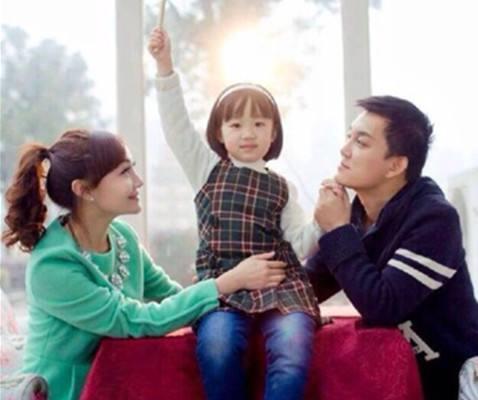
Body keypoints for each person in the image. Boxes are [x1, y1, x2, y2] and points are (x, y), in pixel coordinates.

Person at [1, 129, 287, 400]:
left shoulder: (122, 236)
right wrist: (226, 282)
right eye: (124, 172)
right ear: (84, 190)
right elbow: (135, 320)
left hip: (115, 382)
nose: (138, 181)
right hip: (63, 392)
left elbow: (169, 294)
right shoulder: (52, 266)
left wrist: (242, 306)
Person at [148, 28, 321, 400]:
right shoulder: (206, 168)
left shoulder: (282, 187)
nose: (248, 133)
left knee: (293, 348)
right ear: (219, 132)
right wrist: (164, 67)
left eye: (259, 124)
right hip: (222, 289)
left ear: (273, 133)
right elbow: (176, 125)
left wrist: (325, 219)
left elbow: (301, 243)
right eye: (236, 124)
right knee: (218, 346)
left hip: (280, 286)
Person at [306, 95, 478, 399]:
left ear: (396, 165)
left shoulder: (434, 219)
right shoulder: (357, 217)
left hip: (459, 381)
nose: (345, 149)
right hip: (403, 381)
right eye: (348, 136)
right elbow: (307, 288)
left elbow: (383, 306)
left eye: (361, 142)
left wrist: (337, 230)